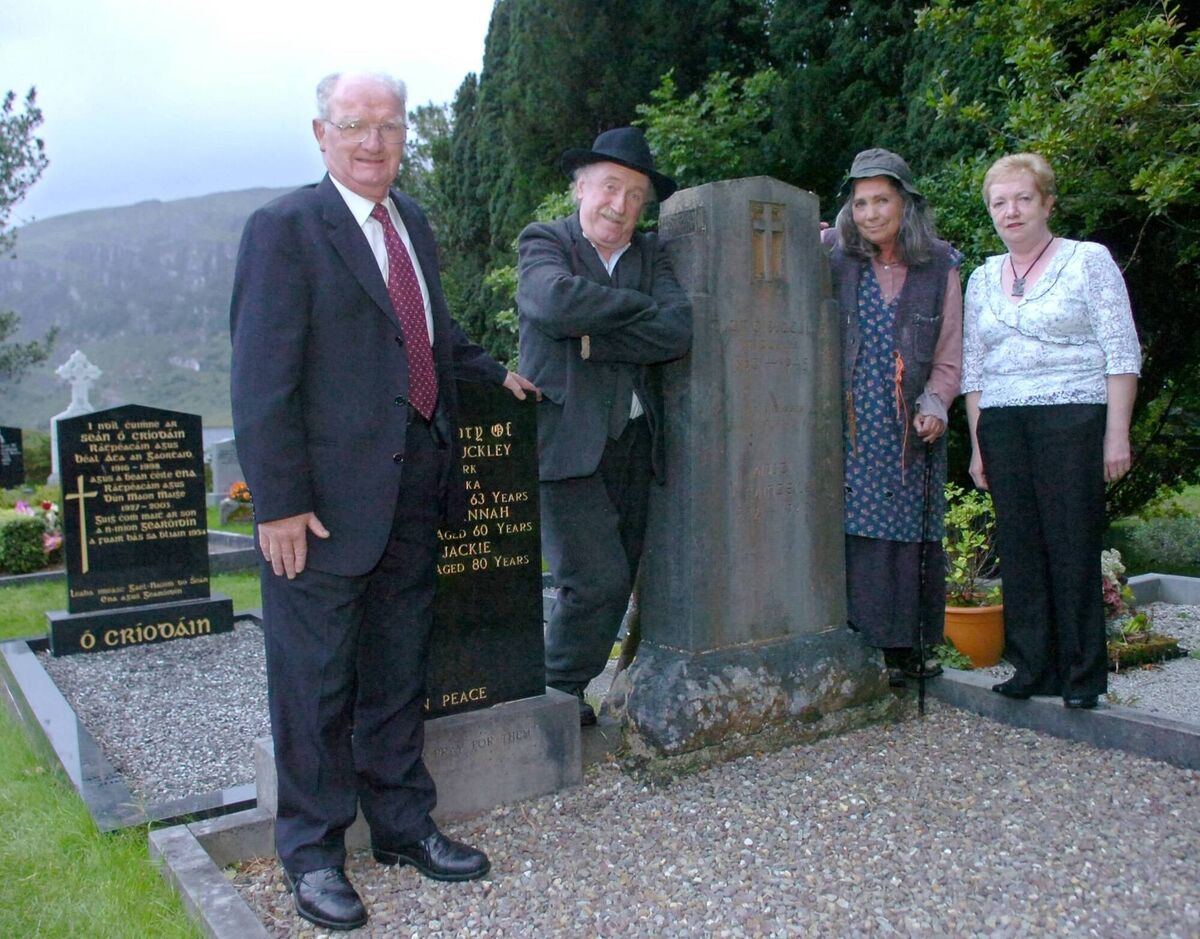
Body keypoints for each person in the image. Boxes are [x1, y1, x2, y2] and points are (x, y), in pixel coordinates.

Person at [230, 70, 537, 931]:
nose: (374, 142)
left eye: (390, 126)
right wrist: (279, 502)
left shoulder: (414, 224)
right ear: (321, 134)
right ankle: (315, 850)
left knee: (399, 671)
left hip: (414, 488)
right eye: (355, 125)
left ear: (405, 136)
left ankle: (403, 825)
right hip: (322, 508)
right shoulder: (286, 229)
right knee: (316, 682)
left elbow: (429, 332)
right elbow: (260, 379)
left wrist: (491, 374)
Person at [516, 127, 692, 726]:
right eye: (610, 187)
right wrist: (634, 316)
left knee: (617, 584)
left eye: (636, 195)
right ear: (582, 187)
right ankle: (553, 696)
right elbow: (553, 305)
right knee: (592, 580)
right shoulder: (544, 241)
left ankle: (564, 698)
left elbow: (676, 330)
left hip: (636, 446)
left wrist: (592, 339)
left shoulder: (653, 255)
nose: (620, 205)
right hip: (566, 443)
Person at [963, 152, 1140, 710]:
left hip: (1072, 416)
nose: (1010, 211)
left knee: (1072, 545)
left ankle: (1082, 677)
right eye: (999, 202)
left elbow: (1121, 350)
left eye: (1022, 199)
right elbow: (974, 368)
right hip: (1004, 423)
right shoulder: (982, 276)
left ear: (1046, 203)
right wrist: (976, 444)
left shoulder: (1088, 261)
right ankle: (1033, 667)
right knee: (1020, 550)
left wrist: (1117, 434)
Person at [825, 148, 963, 688]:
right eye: (860, 202)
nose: (870, 213)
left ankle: (910, 648)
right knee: (858, 529)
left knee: (911, 532)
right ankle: (864, 643)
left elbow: (950, 353)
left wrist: (934, 404)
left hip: (911, 423)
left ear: (906, 204)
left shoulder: (939, 266)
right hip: (854, 424)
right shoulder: (836, 257)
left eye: (882, 200)